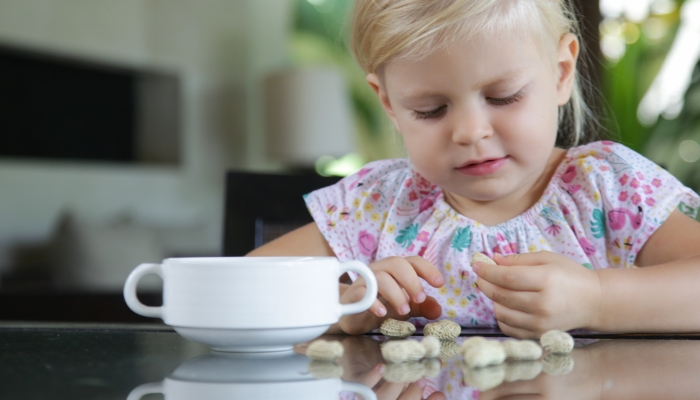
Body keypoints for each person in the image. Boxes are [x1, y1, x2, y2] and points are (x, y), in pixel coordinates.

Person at [249, 0, 700, 339]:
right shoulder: (378, 204)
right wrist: (342, 306)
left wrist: (597, 300)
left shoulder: (605, 188)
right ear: (389, 102)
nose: (469, 132)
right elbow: (247, 287)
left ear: (561, 72)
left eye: (503, 96)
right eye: (430, 109)